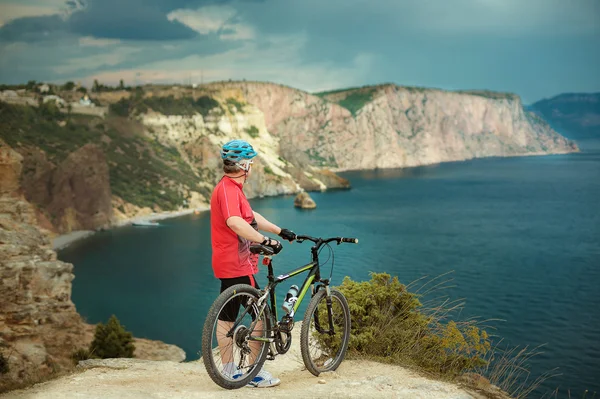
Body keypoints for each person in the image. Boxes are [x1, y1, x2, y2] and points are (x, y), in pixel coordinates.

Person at [210, 139, 296, 388]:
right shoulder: (227, 189)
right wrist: (264, 240)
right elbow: (236, 222)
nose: (252, 167)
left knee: (228, 318)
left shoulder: (233, 189)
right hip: (237, 263)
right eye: (251, 163)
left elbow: (251, 216)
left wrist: (280, 231)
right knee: (262, 315)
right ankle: (251, 372)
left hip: (228, 261)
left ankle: (229, 370)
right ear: (244, 165)